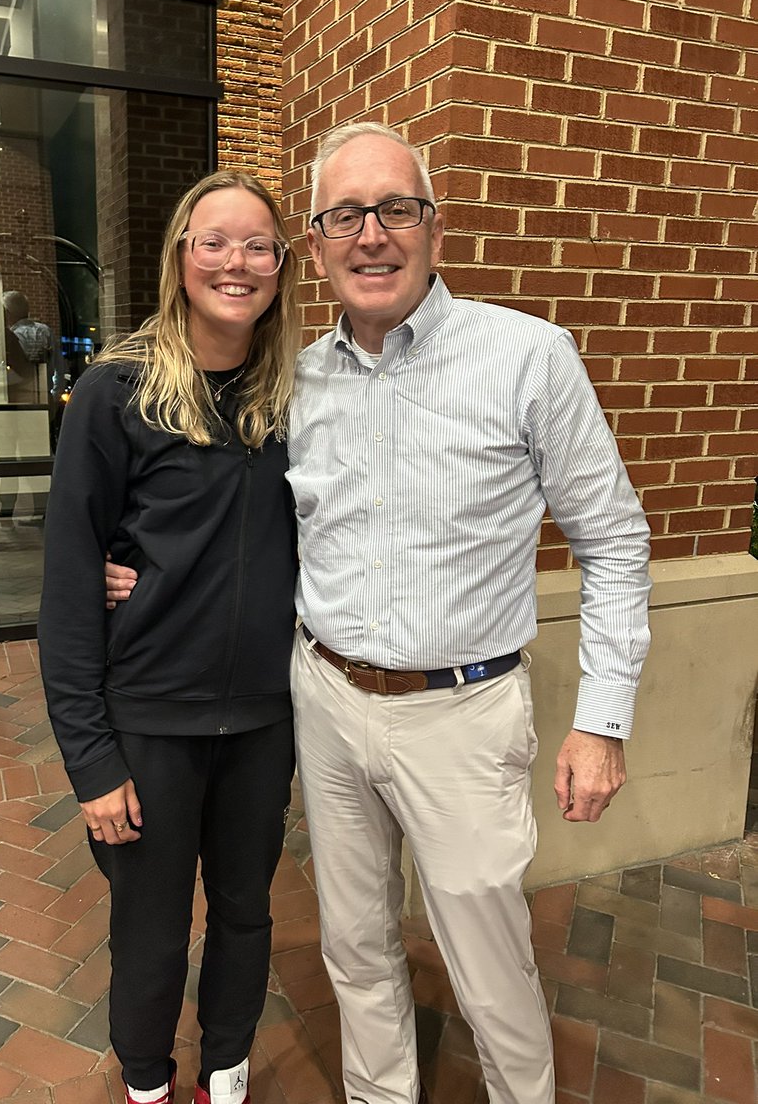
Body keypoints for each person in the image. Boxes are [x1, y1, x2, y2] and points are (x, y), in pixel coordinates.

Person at [107, 124, 652, 1104]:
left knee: (489, 971)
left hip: (465, 713)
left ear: (434, 227)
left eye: (396, 208)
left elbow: (614, 540)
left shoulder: (530, 360)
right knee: (356, 949)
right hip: (324, 697)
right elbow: (229, 515)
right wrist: (132, 566)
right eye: (344, 215)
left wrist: (602, 719)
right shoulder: (291, 381)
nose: (372, 235)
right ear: (313, 246)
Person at [38, 170, 301, 1104]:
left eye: (257, 245)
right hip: (148, 721)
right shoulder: (116, 392)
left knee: (243, 912)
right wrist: (91, 761)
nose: (237, 262)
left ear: (280, 264)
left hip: (265, 720)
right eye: (214, 241)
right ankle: (147, 1080)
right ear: (180, 258)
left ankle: (224, 1067)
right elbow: (70, 586)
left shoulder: (294, 397)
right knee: (149, 927)